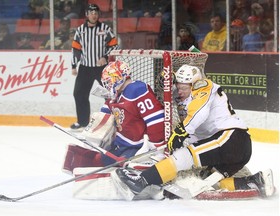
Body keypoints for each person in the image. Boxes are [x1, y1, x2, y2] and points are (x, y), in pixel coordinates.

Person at [113, 64, 275, 199]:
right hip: (235, 148)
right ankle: (255, 181)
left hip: (231, 138)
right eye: (178, 87)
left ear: (194, 84)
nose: (180, 91)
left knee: (185, 156)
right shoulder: (189, 99)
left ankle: (141, 181)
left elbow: (199, 113)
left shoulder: (204, 86)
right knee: (210, 180)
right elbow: (197, 133)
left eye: (183, 87)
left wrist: (180, 132)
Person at [62, 60, 165, 172]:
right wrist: (92, 136)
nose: (108, 85)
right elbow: (103, 118)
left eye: (109, 81)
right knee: (90, 160)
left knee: (124, 169)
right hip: (118, 145)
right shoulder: (115, 96)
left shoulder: (137, 90)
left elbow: (155, 119)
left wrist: (156, 148)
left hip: (136, 147)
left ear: (119, 78)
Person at [70, 3, 119, 130]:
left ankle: (115, 120)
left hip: (101, 68)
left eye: (96, 13)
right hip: (85, 68)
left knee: (110, 94)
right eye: (91, 13)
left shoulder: (105, 29)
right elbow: (76, 48)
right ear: (86, 15)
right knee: (79, 94)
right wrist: (74, 65)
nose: (94, 15)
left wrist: (105, 57)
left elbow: (114, 45)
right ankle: (83, 122)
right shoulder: (81, 30)